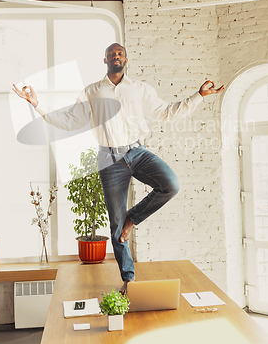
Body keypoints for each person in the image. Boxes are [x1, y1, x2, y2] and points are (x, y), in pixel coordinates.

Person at [13, 43, 224, 293]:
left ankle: (132, 218)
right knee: (115, 223)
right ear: (105, 60)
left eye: (120, 53)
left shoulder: (139, 89)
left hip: (138, 151)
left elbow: (167, 113)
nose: (116, 56)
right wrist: (37, 104)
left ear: (126, 60)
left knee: (170, 185)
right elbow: (70, 120)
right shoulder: (92, 91)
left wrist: (198, 96)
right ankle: (129, 280)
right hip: (108, 158)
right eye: (112, 54)